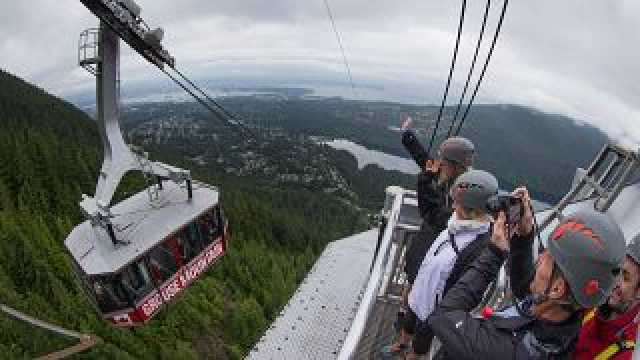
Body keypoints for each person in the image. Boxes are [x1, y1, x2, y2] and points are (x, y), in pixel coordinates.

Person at [428, 187, 626, 360]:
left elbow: (444, 316)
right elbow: (526, 291)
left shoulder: (505, 352)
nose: (539, 260)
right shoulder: (565, 317)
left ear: (557, 289)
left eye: (547, 257)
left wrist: (494, 254)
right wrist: (524, 236)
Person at [387, 169, 498, 359]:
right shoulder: (454, 222)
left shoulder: (480, 245)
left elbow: (467, 287)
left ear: (473, 209)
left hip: (436, 308)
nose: (453, 205)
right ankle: (401, 344)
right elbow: (431, 212)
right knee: (409, 322)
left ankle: (412, 356)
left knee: (421, 342)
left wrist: (441, 311)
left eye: (458, 202)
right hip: (421, 292)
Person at [401, 116, 475, 287]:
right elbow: (425, 161)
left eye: (443, 160)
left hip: (434, 254)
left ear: (453, 165)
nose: (439, 162)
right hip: (429, 254)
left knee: (417, 288)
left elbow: (435, 216)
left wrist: (424, 181)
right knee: (413, 286)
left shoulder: (463, 193)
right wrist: (408, 136)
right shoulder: (452, 177)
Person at [572, 233, 640, 359]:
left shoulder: (622, 355)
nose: (615, 281)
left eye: (625, 277)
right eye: (617, 270)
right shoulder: (591, 299)